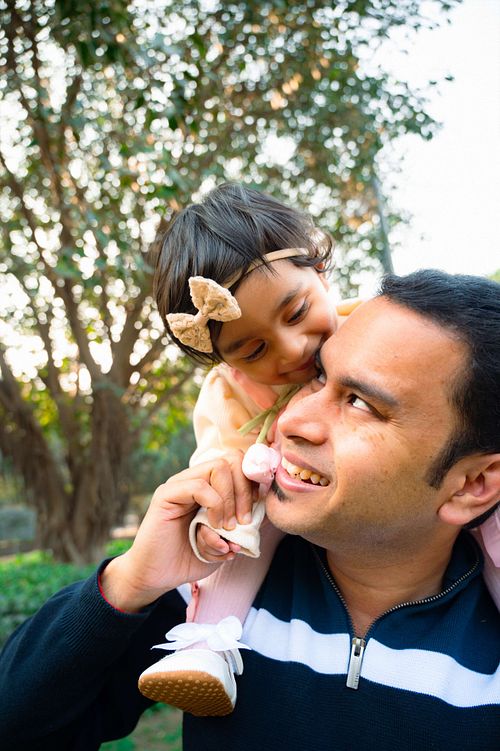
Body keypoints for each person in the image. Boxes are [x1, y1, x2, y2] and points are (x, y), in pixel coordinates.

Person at [0, 269, 499, 751]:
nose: (291, 418)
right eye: (317, 377)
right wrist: (130, 581)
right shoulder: (206, 596)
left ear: (473, 484)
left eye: (360, 403)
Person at [138, 182, 351, 716]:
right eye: (253, 350)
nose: (293, 348)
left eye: (297, 312)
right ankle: (206, 645)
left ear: (321, 273)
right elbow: (217, 460)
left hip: (388, 487)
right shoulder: (229, 393)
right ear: (224, 361)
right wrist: (215, 513)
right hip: (286, 488)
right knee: (241, 512)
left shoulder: (372, 331)